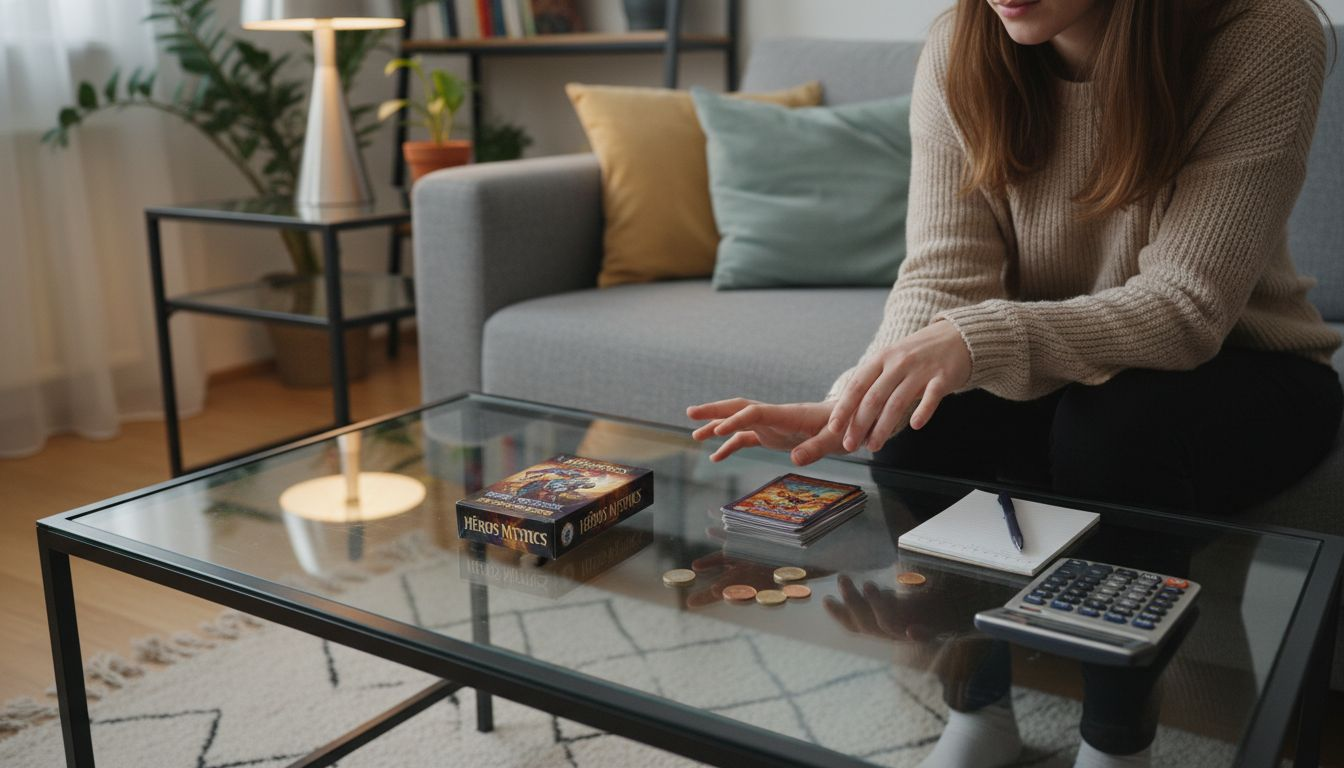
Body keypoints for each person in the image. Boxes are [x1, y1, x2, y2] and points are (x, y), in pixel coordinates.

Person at [689, 0, 1341, 765]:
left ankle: (1115, 741)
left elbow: (1188, 308)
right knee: (915, 425)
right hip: (1065, 366)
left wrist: (976, 341)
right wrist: (858, 396)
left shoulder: (1264, 33)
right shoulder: (960, 43)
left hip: (1247, 364)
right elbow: (942, 274)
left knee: (1115, 429)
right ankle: (977, 709)